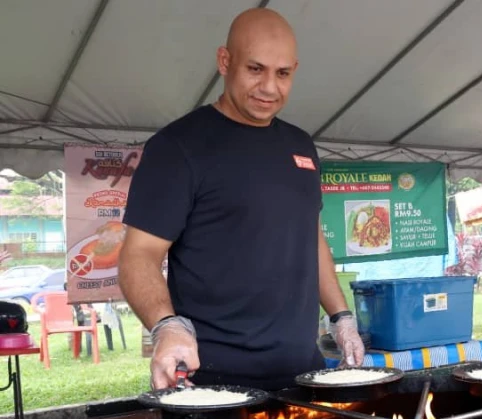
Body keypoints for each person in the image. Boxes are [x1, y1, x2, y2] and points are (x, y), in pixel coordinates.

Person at [119, 8, 364, 391]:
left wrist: (341, 315)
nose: (269, 87)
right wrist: (166, 326)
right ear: (224, 61)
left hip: (304, 373)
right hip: (215, 382)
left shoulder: (301, 146)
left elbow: (310, 237)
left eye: (282, 74)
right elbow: (139, 255)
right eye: (255, 69)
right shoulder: (179, 147)